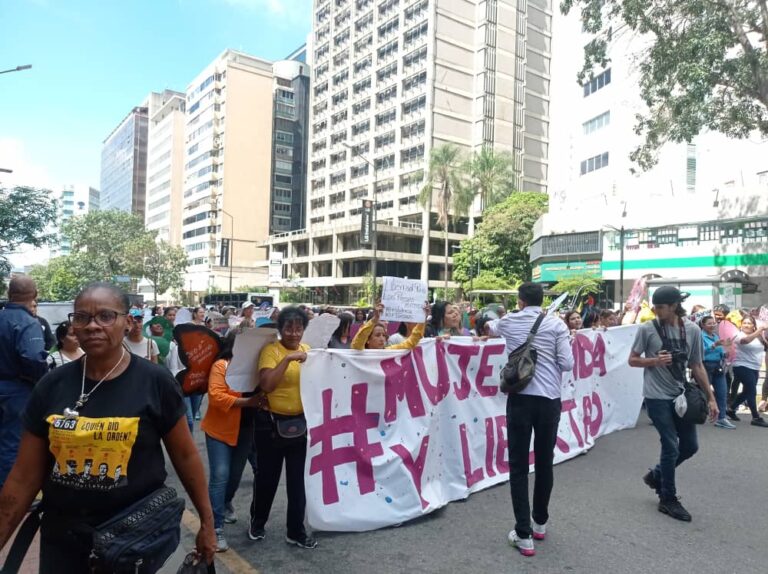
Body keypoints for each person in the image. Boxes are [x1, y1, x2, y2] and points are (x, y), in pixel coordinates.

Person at [0, 282, 216, 571]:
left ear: (127, 322)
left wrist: (207, 522)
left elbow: (186, 456)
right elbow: (23, 477)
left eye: (105, 316)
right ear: (73, 326)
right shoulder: (52, 385)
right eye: (81, 317)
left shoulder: (155, 382)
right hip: (63, 541)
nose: (92, 326)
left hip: (134, 543)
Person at [486, 282, 574, 557]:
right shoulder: (557, 325)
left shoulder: (509, 320)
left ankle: (523, 535)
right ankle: (540, 523)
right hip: (549, 400)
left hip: (521, 398)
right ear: (541, 299)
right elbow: (568, 364)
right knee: (545, 462)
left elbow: (488, 327)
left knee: (519, 466)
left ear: (521, 300)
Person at [629, 286, 718, 522]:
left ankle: (656, 475)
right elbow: (632, 360)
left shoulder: (692, 330)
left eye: (660, 307)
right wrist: (654, 361)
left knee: (690, 446)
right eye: (655, 307)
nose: (656, 311)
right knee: (670, 446)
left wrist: (712, 398)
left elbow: (697, 365)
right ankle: (667, 498)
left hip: (681, 395)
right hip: (656, 396)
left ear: (674, 306)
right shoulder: (648, 329)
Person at [249, 306, 316, 549]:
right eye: (289, 327)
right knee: (267, 478)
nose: (294, 333)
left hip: (301, 425)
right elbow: (266, 384)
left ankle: (296, 531)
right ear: (281, 329)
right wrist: (287, 359)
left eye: (299, 328)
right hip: (270, 426)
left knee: (298, 482)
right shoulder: (271, 351)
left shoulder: (309, 351)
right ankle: (258, 522)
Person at [202, 333, 262, 552]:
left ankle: (224, 503)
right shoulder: (221, 365)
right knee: (220, 476)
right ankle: (214, 527)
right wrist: (249, 402)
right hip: (218, 431)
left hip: (245, 431)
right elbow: (216, 396)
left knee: (234, 478)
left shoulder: (257, 366)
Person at [0, 276, 48, 488]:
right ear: (34, 295)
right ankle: (8, 493)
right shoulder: (28, 322)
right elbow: (34, 358)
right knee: (13, 441)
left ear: (10, 294)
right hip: (17, 389)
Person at [727, 316, 768, 427]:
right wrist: (760, 330)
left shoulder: (759, 336)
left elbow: (765, 345)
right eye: (744, 323)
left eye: (749, 323)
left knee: (746, 392)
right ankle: (756, 417)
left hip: (755, 367)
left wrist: (762, 333)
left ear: (753, 325)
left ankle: (731, 409)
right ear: (741, 325)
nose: (746, 325)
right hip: (741, 366)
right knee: (752, 391)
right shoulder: (738, 335)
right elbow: (745, 341)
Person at [699, 316, 735, 429]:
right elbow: (700, 351)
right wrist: (714, 345)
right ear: (703, 325)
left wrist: (727, 351)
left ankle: (721, 418)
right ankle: (697, 413)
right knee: (704, 393)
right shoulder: (700, 336)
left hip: (718, 366)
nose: (712, 325)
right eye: (709, 323)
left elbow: (721, 352)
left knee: (722, 392)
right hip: (705, 366)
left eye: (713, 323)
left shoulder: (715, 336)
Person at [351, 302, 427, 350]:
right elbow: (358, 340)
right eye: (377, 335)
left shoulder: (389, 351)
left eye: (384, 335)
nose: (382, 339)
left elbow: (411, 342)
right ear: (367, 340)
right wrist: (375, 319)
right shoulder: (359, 352)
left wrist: (423, 319)